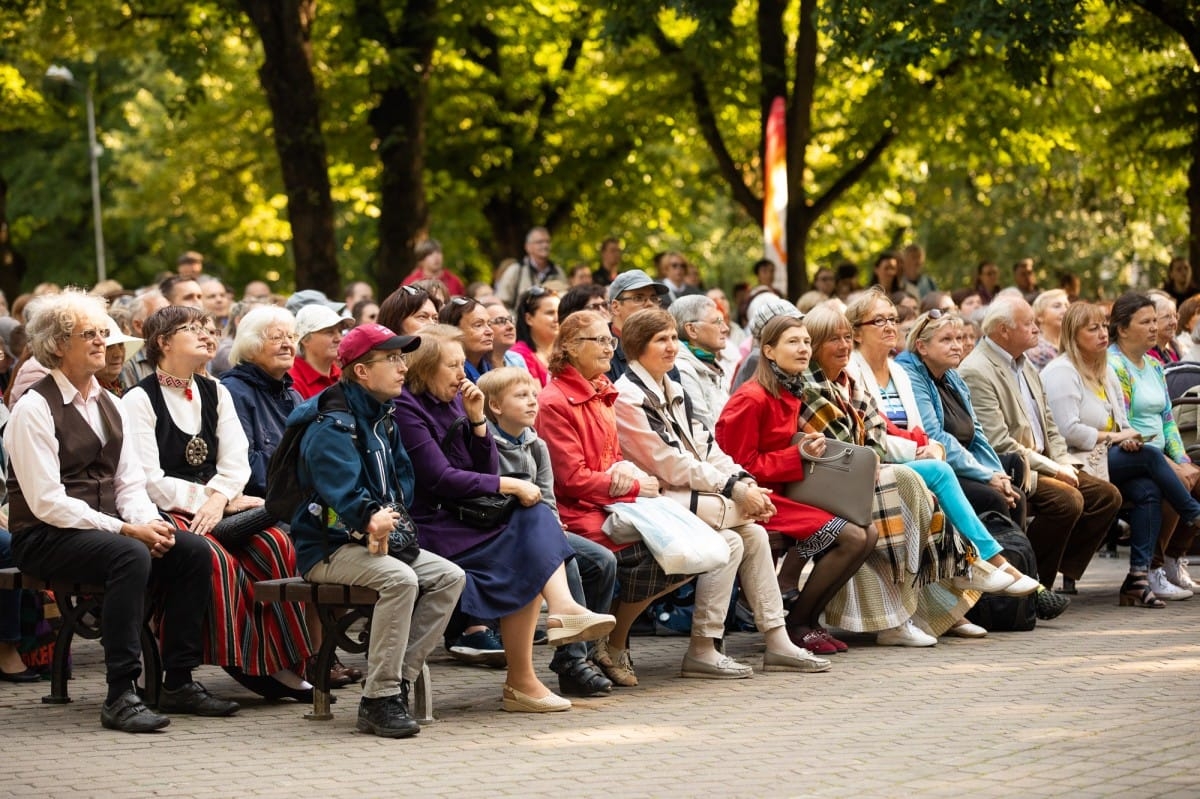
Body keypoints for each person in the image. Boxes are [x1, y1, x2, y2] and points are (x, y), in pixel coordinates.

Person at [5, 291, 237, 731]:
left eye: (103, 333)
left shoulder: (110, 403)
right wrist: (126, 531)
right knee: (128, 555)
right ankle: (120, 693)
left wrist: (148, 522)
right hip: (43, 536)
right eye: (88, 334)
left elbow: (128, 482)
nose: (102, 342)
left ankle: (179, 680)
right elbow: (46, 502)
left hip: (102, 529)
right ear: (57, 345)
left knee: (190, 549)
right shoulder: (34, 407)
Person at [396, 325, 615, 711]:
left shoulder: (454, 401)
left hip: (463, 517)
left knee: (532, 521)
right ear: (426, 368)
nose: (463, 373)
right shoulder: (409, 409)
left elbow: (484, 464)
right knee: (528, 526)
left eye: (463, 363)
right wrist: (509, 486)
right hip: (430, 525)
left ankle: (539, 653)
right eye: (452, 365)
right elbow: (439, 478)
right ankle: (528, 670)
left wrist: (479, 422)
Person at [745, 305, 976, 646]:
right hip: (784, 492)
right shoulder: (784, 392)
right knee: (881, 505)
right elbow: (744, 464)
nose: (840, 346)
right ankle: (816, 621)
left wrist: (918, 443)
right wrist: (798, 457)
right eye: (798, 342)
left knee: (874, 519)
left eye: (807, 341)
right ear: (769, 351)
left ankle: (913, 605)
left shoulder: (828, 384)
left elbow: (875, 432)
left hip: (811, 483)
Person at [616, 309, 831, 672]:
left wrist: (741, 481)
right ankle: (704, 647)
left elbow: (707, 446)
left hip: (688, 494)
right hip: (651, 499)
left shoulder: (671, 387)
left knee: (750, 536)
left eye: (673, 338)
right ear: (638, 347)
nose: (672, 347)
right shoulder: (629, 397)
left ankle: (771, 639)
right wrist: (735, 489)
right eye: (662, 340)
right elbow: (667, 462)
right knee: (740, 531)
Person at [123, 306, 314, 699]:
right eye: (193, 329)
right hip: (165, 510)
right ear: (163, 342)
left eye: (209, 329)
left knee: (277, 545)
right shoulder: (139, 400)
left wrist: (221, 497)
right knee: (217, 559)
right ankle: (242, 662)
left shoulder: (216, 391)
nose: (208, 336)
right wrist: (209, 501)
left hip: (220, 504)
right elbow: (148, 480)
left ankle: (282, 661)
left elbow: (236, 461)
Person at [287, 323, 466, 736]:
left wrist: (388, 520)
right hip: (327, 548)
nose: (403, 367)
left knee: (448, 576)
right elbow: (334, 497)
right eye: (391, 359)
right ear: (362, 371)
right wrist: (368, 519)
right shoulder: (332, 423)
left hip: (377, 541)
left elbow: (402, 480)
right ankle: (380, 700)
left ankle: (394, 683)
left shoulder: (382, 414)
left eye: (402, 357)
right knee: (400, 580)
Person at [846, 291, 1041, 605]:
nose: (889, 327)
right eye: (878, 320)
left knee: (992, 486)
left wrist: (938, 450)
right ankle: (989, 564)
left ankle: (964, 601)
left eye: (893, 319)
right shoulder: (852, 372)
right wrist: (923, 450)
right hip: (874, 467)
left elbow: (922, 430)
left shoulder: (899, 371)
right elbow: (872, 435)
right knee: (945, 477)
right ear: (856, 331)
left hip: (915, 461)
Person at [538, 311, 692, 687]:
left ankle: (605, 640)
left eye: (611, 340)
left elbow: (610, 459)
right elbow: (571, 480)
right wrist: (636, 486)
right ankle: (592, 648)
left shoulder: (601, 389)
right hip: (579, 513)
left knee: (687, 553)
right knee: (651, 555)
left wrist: (631, 473)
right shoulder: (556, 401)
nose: (611, 347)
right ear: (572, 348)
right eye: (600, 341)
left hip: (610, 504)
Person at [958, 296, 1122, 595]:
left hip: (1045, 460)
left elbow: (1049, 424)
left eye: (1035, 322)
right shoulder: (977, 370)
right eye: (1028, 324)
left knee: (1105, 496)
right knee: (1067, 501)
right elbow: (998, 442)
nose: (1037, 329)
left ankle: (1052, 568)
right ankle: (1035, 584)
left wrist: (1064, 462)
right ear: (1003, 330)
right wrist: (1054, 468)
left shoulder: (1025, 363)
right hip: (1014, 468)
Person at [1043, 301, 1200, 607]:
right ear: (1074, 335)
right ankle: (1193, 513)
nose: (1103, 333)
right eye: (1094, 329)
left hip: (1109, 455)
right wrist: (1116, 437)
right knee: (1153, 459)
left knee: (1149, 489)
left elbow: (1125, 423)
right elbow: (1068, 431)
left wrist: (1127, 439)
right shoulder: (1061, 371)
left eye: (1104, 326)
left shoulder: (1103, 369)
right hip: (1078, 458)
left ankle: (1137, 579)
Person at [478, 366, 618, 695]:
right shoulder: (486, 444)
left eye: (533, 395)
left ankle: (584, 647)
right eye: (521, 396)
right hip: (502, 532)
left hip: (540, 527)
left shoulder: (536, 445)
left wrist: (552, 522)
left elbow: (548, 495)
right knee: (564, 559)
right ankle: (573, 661)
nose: (532, 402)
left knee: (602, 561)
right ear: (496, 406)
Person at [1106, 292, 1200, 599]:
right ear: (1122, 329)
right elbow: (1124, 423)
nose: (1153, 327)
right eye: (1145, 321)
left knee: (1191, 474)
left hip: (1158, 453)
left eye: (1153, 321)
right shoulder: (1115, 366)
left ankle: (1172, 560)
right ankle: (1153, 568)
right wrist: (1171, 465)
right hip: (1132, 453)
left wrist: (1182, 458)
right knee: (1163, 483)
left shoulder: (1154, 366)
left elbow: (1167, 420)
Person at [220, 306, 302, 499]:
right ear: (251, 347)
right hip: (263, 505)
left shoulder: (293, 395)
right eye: (276, 337)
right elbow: (247, 466)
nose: (287, 344)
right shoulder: (233, 391)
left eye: (291, 337)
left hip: (297, 501)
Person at [669, 295, 732, 430]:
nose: (725, 328)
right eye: (717, 322)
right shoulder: (683, 370)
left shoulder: (711, 363)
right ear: (692, 330)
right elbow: (706, 430)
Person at [606, 270, 669, 382]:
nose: (650, 304)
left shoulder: (667, 346)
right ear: (615, 307)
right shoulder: (602, 350)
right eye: (638, 298)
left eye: (654, 298)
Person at [288, 304, 350, 400]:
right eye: (329, 332)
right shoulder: (291, 381)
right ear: (305, 340)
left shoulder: (343, 376)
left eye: (340, 332)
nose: (339, 339)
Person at [495, 227, 566, 308]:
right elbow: (501, 303)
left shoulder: (558, 272)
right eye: (540, 242)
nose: (545, 245)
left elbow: (565, 302)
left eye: (548, 242)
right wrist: (515, 319)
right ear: (527, 247)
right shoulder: (516, 271)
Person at [509, 286, 560, 387]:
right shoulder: (519, 355)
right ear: (529, 319)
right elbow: (536, 399)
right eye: (550, 313)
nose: (557, 318)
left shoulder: (565, 350)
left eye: (559, 312)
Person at [438, 297, 494, 382]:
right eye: (478, 325)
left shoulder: (488, 366)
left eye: (489, 324)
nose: (490, 331)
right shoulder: (447, 375)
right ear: (453, 330)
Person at [1025, 289, 1069, 371]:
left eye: (1067, 306)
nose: (1065, 310)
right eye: (1057, 306)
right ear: (1040, 316)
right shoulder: (1035, 350)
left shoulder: (1073, 345)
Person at [480, 300, 528, 371]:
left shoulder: (517, 360)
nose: (511, 326)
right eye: (500, 321)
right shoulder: (477, 364)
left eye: (511, 320)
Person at [1147, 292, 1183, 365]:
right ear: (1153, 321)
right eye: (1167, 317)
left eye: (1175, 316)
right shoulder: (1146, 355)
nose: (1174, 322)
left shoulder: (1173, 352)